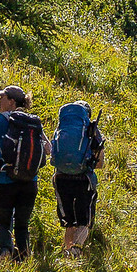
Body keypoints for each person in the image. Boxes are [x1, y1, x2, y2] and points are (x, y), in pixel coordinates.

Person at [0, 85, 43, 262]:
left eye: (2, 97)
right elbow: (48, 149)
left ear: (11, 101)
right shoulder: (32, 121)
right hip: (29, 182)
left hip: (4, 182)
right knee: (22, 225)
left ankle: (5, 252)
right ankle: (23, 259)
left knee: (3, 223)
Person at [50, 100, 106, 258]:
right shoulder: (91, 129)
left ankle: (67, 254)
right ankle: (76, 249)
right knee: (84, 221)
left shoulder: (61, 128)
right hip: (83, 179)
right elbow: (100, 163)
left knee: (69, 221)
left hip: (60, 178)